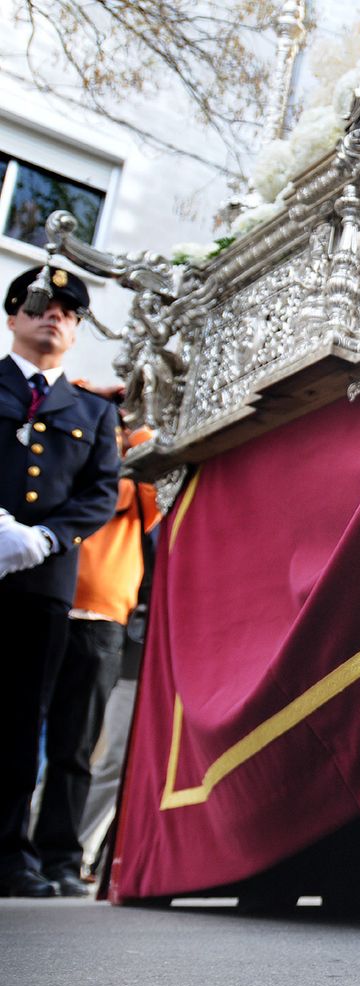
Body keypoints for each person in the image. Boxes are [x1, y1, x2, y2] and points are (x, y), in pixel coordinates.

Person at [0, 266, 121, 898]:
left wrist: (46, 538)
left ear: (75, 332)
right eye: (43, 305)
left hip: (43, 580)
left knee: (23, 721)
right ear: (14, 315)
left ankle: (9, 854)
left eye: (70, 313)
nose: (56, 317)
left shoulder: (94, 412)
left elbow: (100, 493)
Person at [35, 421, 160, 893]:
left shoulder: (126, 482)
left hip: (102, 617)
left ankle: (61, 859)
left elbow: (156, 479)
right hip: (39, 600)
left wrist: (135, 423)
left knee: (78, 749)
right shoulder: (55, 464)